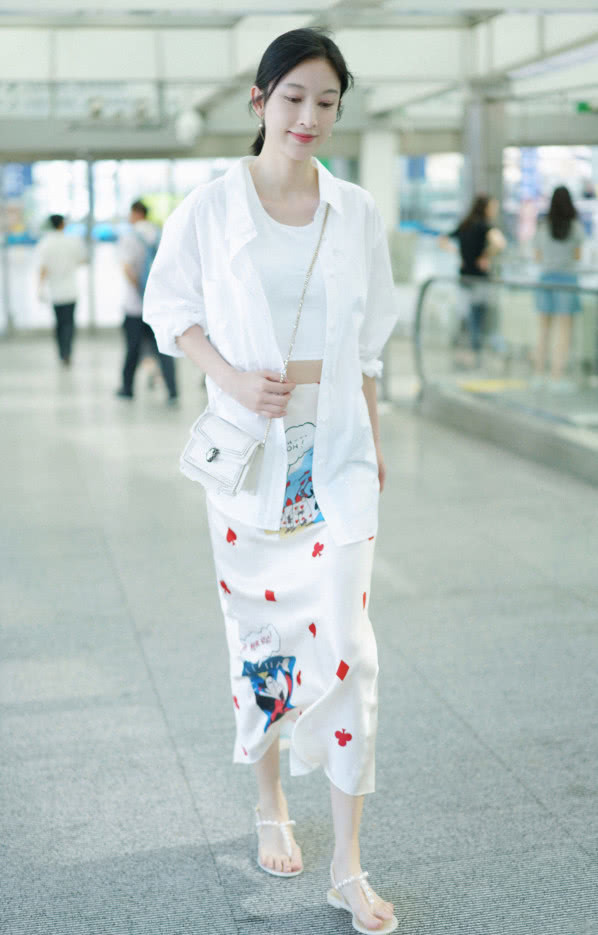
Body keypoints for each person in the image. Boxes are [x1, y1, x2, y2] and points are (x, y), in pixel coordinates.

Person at [143, 27, 399, 935]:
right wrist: (230, 376)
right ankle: (269, 800)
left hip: (338, 458)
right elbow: (170, 308)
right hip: (254, 459)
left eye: (326, 102)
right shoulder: (212, 208)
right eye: (293, 98)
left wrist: (374, 442)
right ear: (259, 101)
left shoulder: (354, 211)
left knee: (350, 651)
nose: (309, 117)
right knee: (261, 640)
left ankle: (348, 863)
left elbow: (369, 344)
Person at [115, 200, 178, 404]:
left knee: (132, 348)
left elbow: (127, 268)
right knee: (164, 349)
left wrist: (141, 291)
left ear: (136, 213)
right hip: (160, 305)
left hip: (135, 306)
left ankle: (127, 389)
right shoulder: (161, 234)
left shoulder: (130, 236)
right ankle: (172, 390)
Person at [440, 194, 506, 365]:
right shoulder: (485, 226)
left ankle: (466, 353)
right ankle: (475, 354)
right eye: (493, 207)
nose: (494, 211)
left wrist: (459, 254)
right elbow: (500, 243)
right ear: (485, 208)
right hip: (479, 279)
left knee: (466, 318)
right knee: (478, 318)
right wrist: (486, 255)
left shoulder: (465, 225)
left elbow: (442, 240)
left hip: (464, 278)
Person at [532, 185, 585, 392]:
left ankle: (538, 374)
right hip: (567, 281)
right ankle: (557, 375)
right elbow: (578, 256)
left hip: (546, 279)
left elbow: (537, 256)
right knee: (564, 331)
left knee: (543, 330)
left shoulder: (543, 227)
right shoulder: (575, 227)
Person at [37, 214, 87, 366]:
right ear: (62, 224)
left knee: (59, 323)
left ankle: (61, 353)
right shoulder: (72, 241)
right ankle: (67, 352)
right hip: (70, 290)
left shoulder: (45, 243)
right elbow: (82, 259)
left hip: (55, 291)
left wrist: (39, 288)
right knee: (69, 323)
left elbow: (43, 268)